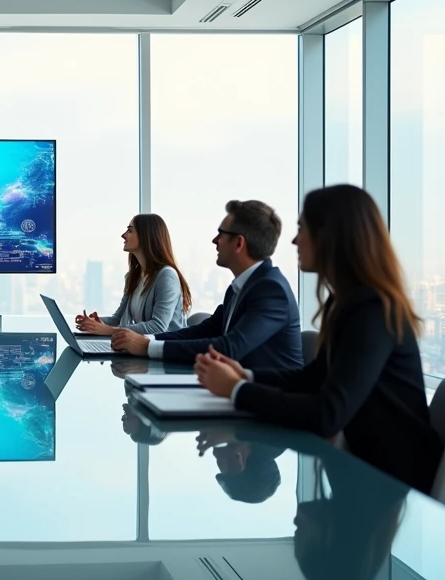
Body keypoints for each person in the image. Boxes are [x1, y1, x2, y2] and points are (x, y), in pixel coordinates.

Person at [195, 185, 443, 493]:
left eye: (302, 229)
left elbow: (327, 414)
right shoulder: (348, 304)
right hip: (363, 472)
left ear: (330, 237)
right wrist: (245, 374)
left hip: (393, 486)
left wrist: (236, 389)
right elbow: (313, 378)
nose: (295, 240)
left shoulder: (372, 310)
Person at [111, 200, 303, 370]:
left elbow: (229, 347)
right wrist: (147, 340)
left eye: (221, 234)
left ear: (239, 243)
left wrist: (146, 347)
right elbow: (204, 330)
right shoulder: (241, 286)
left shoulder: (271, 290)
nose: (214, 241)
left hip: (266, 404)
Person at [76, 214, 191, 335]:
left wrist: (108, 330)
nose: (123, 235)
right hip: (142, 348)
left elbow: (158, 327)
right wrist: (95, 323)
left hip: (166, 350)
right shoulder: (133, 277)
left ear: (146, 237)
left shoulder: (166, 276)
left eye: (130, 230)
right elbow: (117, 319)